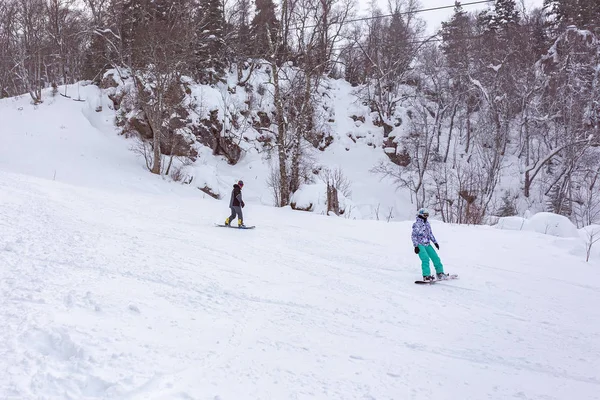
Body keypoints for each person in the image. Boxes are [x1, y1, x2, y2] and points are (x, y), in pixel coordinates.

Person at [411, 208, 448, 282]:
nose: (426, 217)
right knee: (425, 259)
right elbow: (413, 236)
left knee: (435, 258)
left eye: (427, 215)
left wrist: (435, 242)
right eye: (425, 215)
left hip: (427, 244)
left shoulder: (427, 224)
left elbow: (430, 234)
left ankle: (440, 273)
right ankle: (426, 276)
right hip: (420, 244)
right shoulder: (417, 225)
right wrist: (416, 246)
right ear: (421, 215)